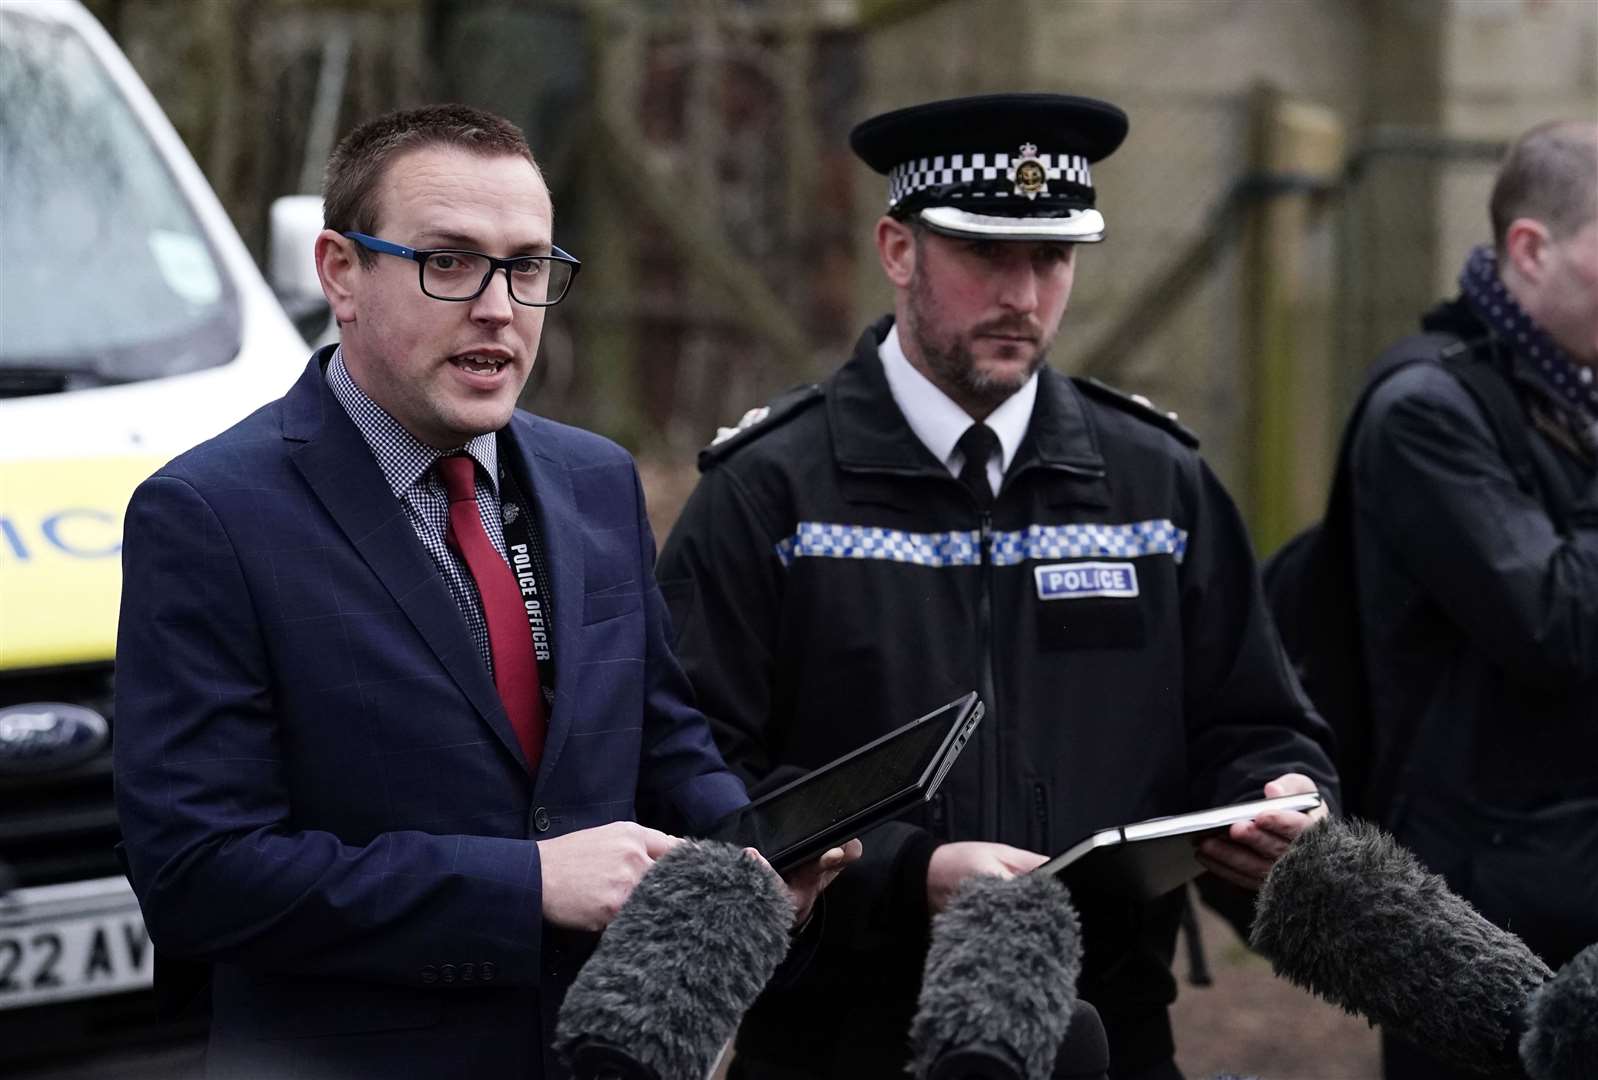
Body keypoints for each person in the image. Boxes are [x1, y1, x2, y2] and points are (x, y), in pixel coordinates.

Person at [113, 104, 853, 1080]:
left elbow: (664, 742)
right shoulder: (209, 515)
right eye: (449, 262)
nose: (499, 308)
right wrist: (526, 884)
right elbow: (197, 877)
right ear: (340, 272)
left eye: (529, 265)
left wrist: (755, 857)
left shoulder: (595, 479)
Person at [656, 94, 1338, 1080]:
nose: (1023, 293)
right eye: (987, 255)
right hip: (838, 1041)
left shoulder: (1158, 482)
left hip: (1105, 1031)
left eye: (1051, 258)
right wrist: (906, 879)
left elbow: (1255, 722)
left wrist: (1282, 799)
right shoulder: (768, 493)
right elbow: (692, 777)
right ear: (897, 249)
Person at [1341, 120, 1598, 1080]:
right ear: (1531, 249)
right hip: (1483, 916)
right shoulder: (1425, 410)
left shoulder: (1578, 391)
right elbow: (1554, 621)